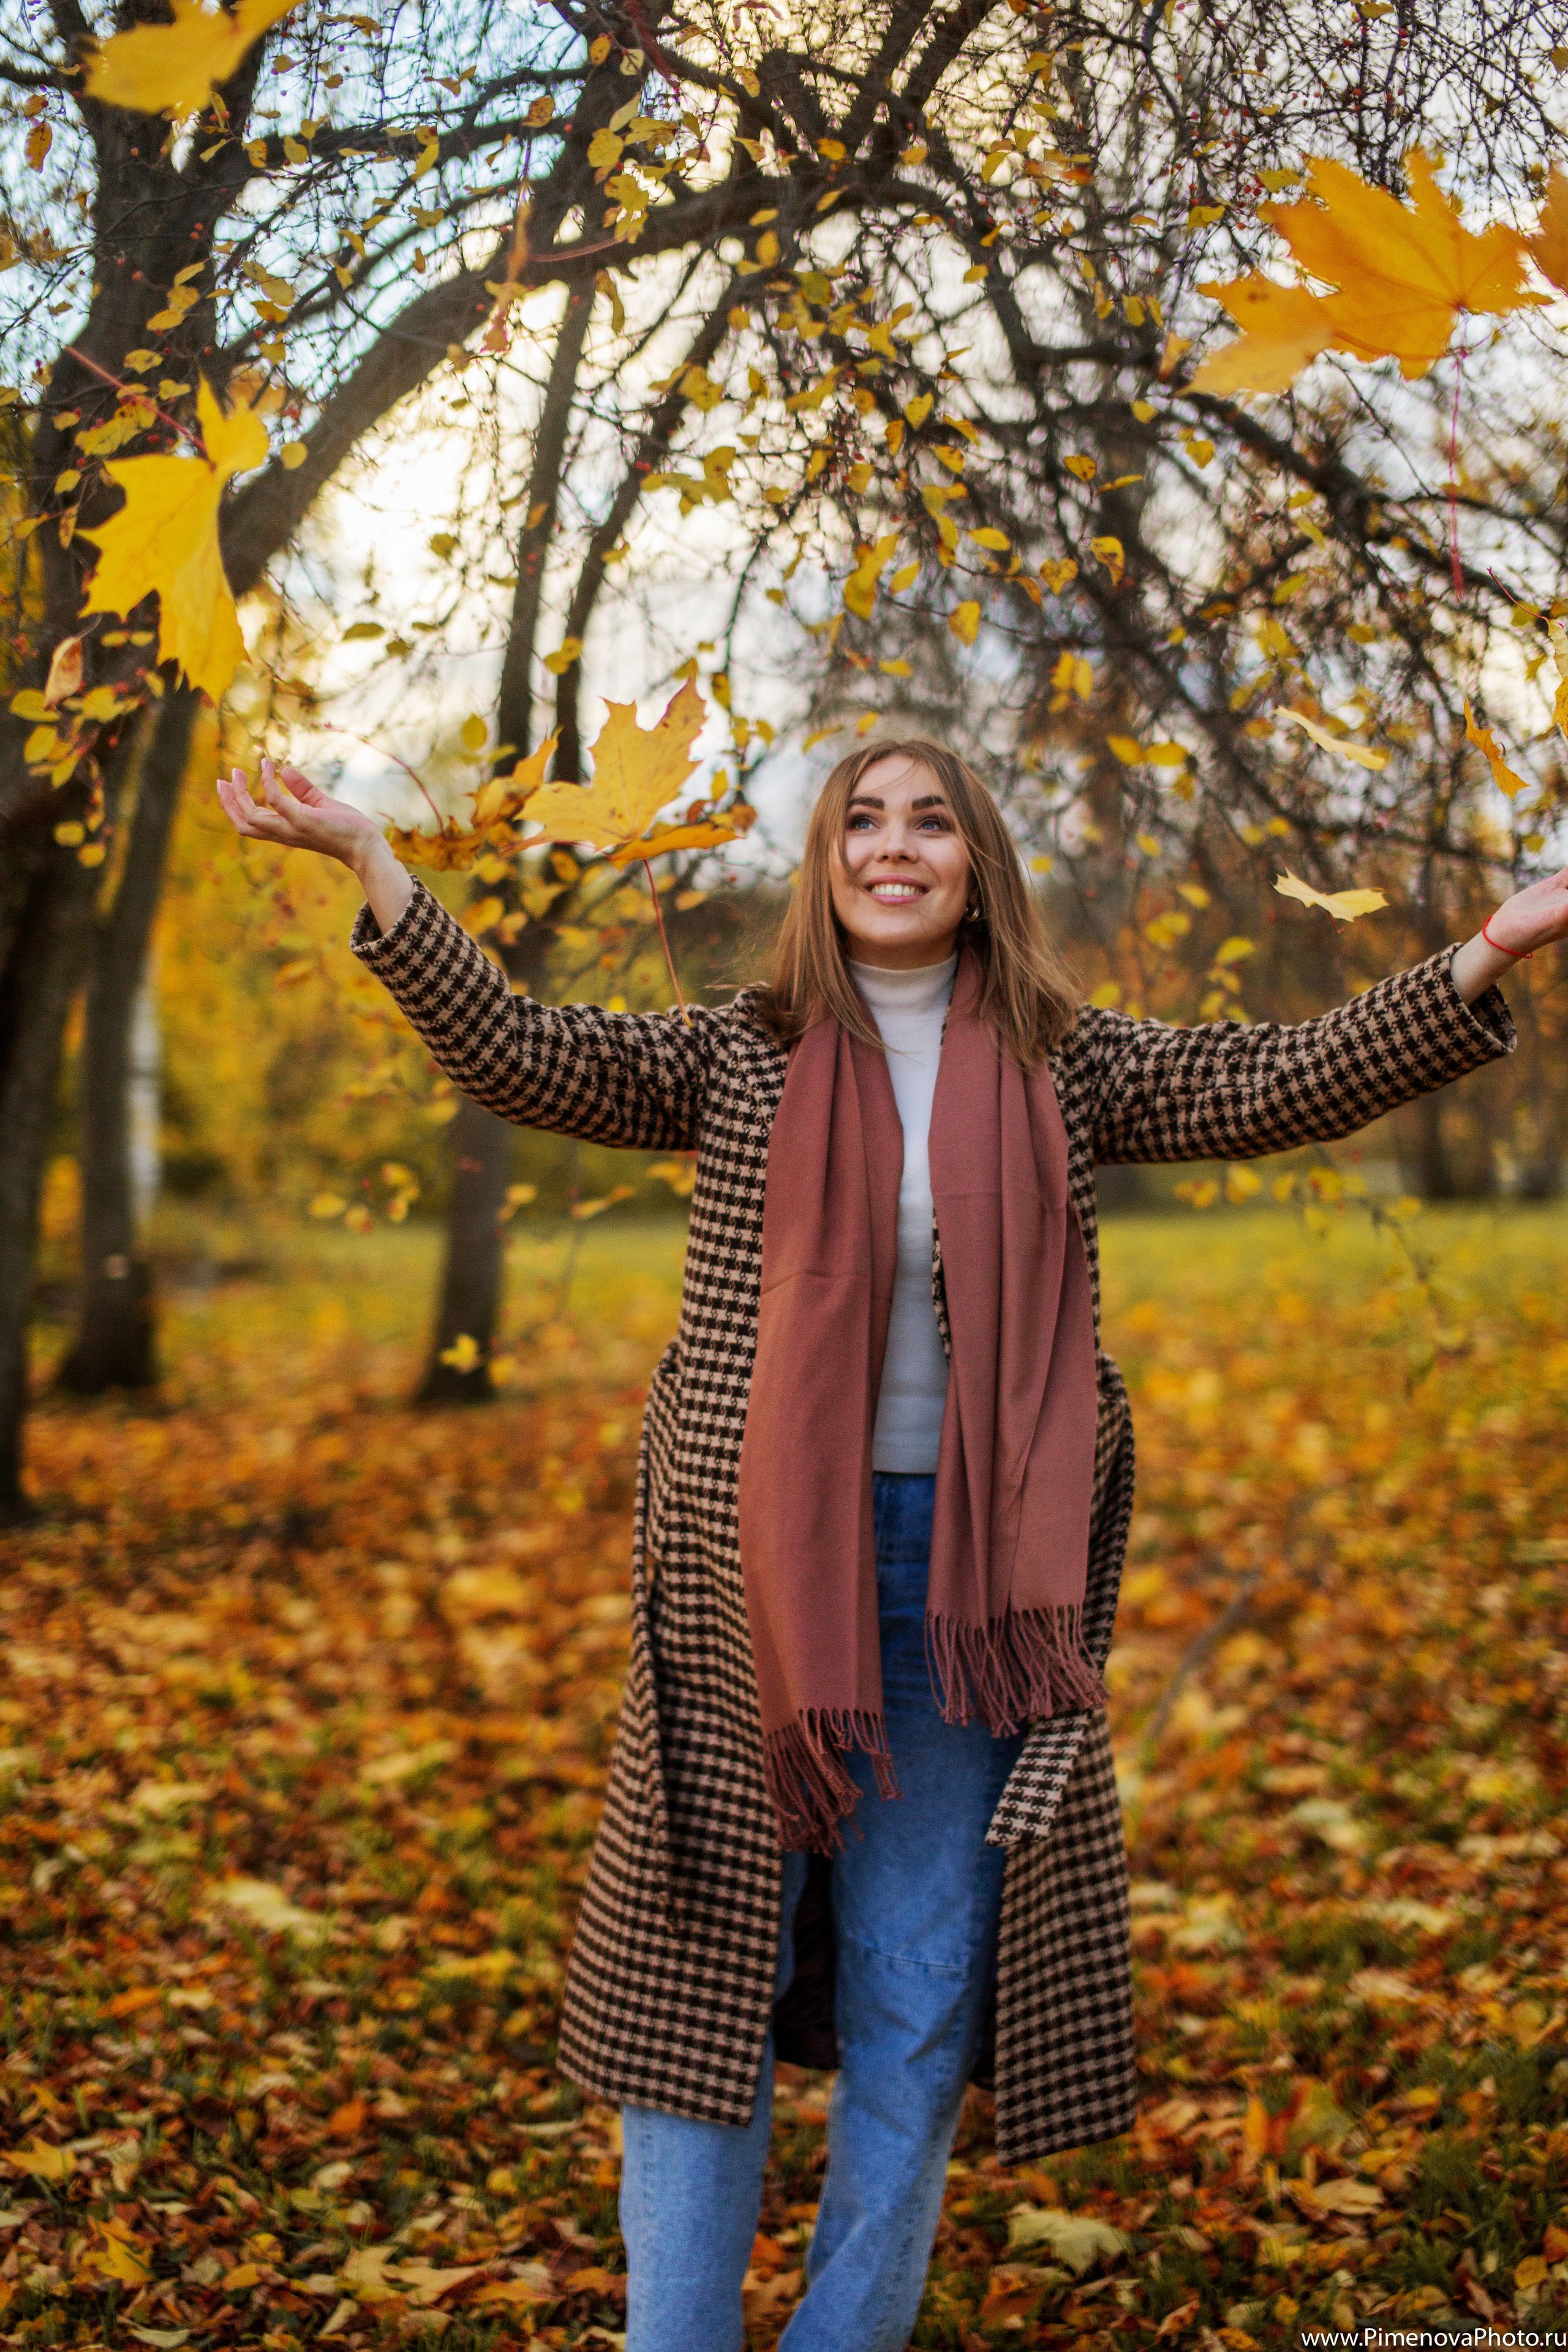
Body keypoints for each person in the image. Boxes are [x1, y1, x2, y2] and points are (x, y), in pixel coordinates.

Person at [217, 736, 1555, 2351]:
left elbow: (1283, 1077)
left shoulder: (1072, 1059)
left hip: (974, 1589)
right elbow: (516, 1051)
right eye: (863, 819)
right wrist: (377, 865)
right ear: (825, 862)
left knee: (917, 1999)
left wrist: (1490, 948)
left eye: (931, 820)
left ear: (979, 861)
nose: (895, 845)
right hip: (755, 1592)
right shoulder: (740, 1051)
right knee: (705, 1986)